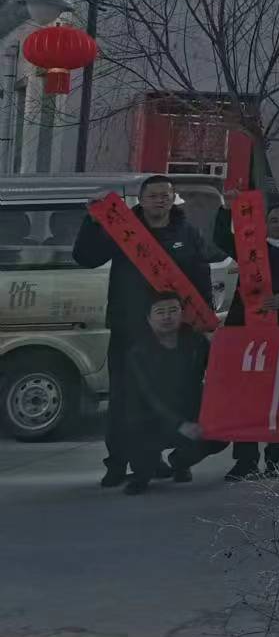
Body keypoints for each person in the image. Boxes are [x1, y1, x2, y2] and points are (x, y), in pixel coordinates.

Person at [73, 173, 221, 489]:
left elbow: (200, 275)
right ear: (140, 200)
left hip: (174, 332)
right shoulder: (123, 229)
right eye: (153, 195)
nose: (160, 200)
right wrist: (92, 222)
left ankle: (177, 459)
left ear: (173, 198)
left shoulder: (186, 231)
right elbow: (86, 258)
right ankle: (117, 463)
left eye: (165, 195)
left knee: (178, 394)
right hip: (129, 328)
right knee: (124, 398)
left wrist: (204, 322)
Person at [218, 201, 279, 481]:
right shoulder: (249, 250)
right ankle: (246, 460)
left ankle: (277, 458)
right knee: (245, 397)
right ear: (265, 224)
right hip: (246, 332)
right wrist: (227, 208)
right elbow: (219, 238)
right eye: (273, 219)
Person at [120, 293, 227, 495]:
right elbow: (148, 395)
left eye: (173, 310)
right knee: (138, 436)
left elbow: (218, 373)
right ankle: (142, 474)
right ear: (149, 318)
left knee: (220, 437)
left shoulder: (197, 341)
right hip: (150, 416)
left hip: (189, 410)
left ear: (182, 313)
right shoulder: (138, 351)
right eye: (160, 312)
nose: (167, 317)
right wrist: (179, 424)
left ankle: (180, 462)